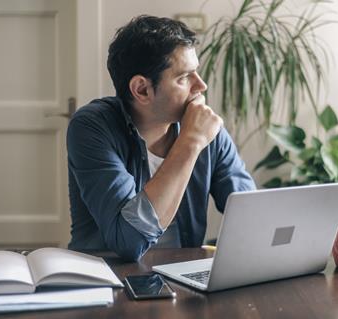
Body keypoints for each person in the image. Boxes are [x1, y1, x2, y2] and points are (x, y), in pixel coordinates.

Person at [67, 15, 256, 261]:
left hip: (182, 276)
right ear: (142, 89)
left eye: (196, 73)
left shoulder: (205, 130)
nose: (201, 86)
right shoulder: (92, 127)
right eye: (184, 77)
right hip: (107, 275)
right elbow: (129, 241)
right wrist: (190, 143)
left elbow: (251, 216)